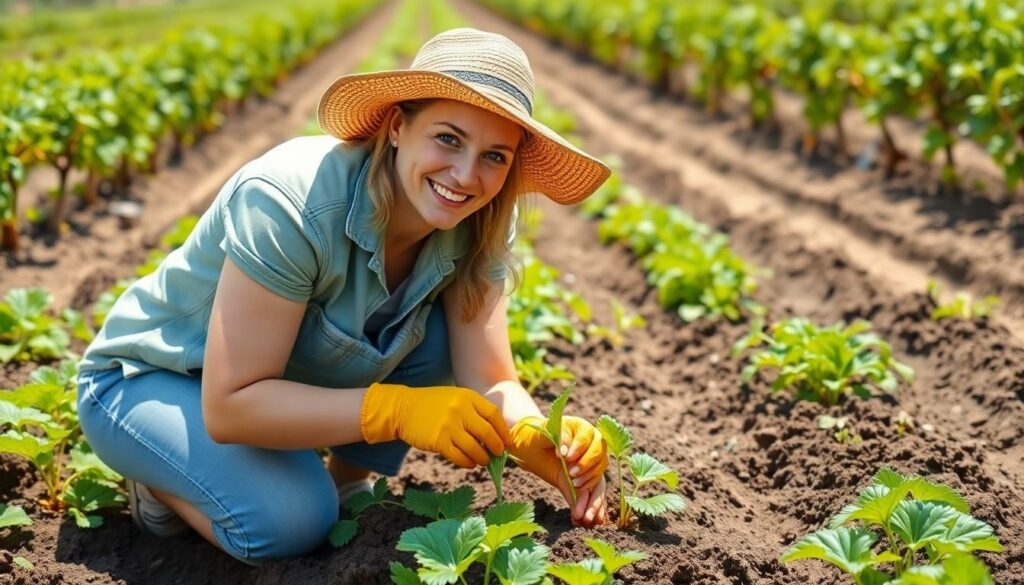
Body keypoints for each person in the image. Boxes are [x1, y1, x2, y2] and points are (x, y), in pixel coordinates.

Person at [75, 27, 612, 566]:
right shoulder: (290, 203)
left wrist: (536, 436)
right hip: (153, 383)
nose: (466, 175)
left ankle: (346, 484)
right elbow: (231, 403)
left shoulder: (481, 219)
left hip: (272, 383)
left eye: (495, 156)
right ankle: (160, 483)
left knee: (440, 330)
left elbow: (491, 375)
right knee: (289, 523)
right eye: (448, 138)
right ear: (398, 127)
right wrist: (397, 410)